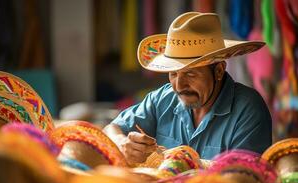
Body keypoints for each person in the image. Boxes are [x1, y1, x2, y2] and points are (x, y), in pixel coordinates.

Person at [104, 12, 272, 163]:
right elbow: (110, 129)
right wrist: (121, 142)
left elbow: (241, 178)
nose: (179, 86)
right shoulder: (163, 99)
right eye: (173, 74)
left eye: (190, 74)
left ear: (219, 70)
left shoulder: (248, 110)